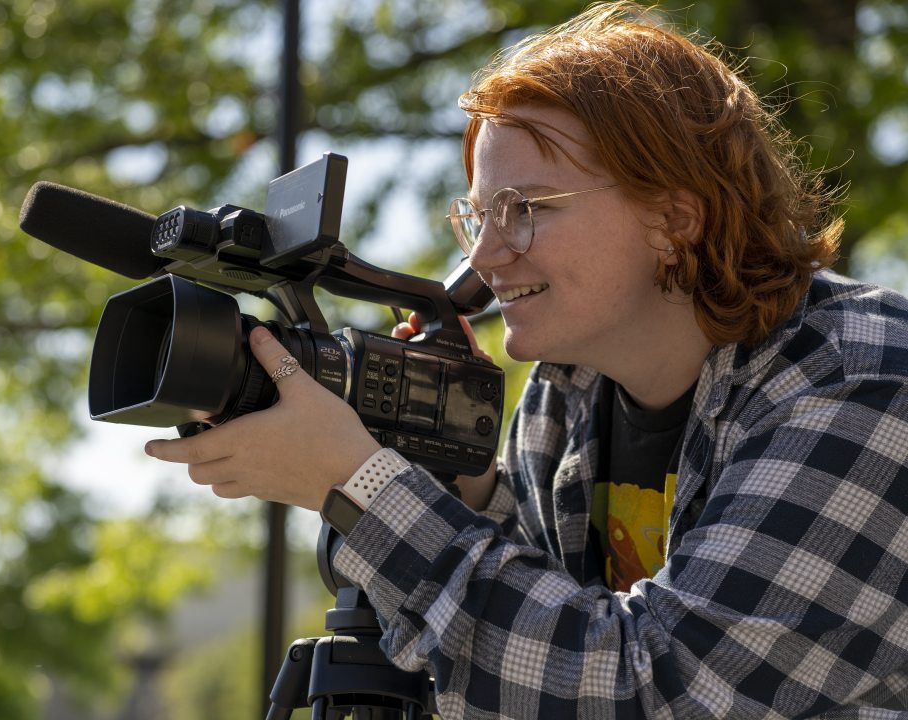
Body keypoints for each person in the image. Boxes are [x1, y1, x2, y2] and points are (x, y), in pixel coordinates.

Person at [144, 2, 908, 716]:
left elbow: (655, 687)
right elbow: (546, 618)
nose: (484, 253)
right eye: (478, 214)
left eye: (528, 210)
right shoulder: (563, 395)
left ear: (674, 219)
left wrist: (361, 488)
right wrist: (464, 483)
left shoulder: (860, 380)